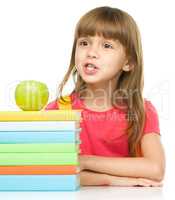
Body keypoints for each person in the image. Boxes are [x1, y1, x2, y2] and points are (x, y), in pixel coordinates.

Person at [46, 6, 165, 187]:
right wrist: (111, 179)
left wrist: (84, 161)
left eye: (107, 45)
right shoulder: (58, 110)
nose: (91, 52)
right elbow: (50, 172)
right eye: (84, 43)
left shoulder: (141, 110)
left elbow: (155, 169)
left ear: (128, 62)